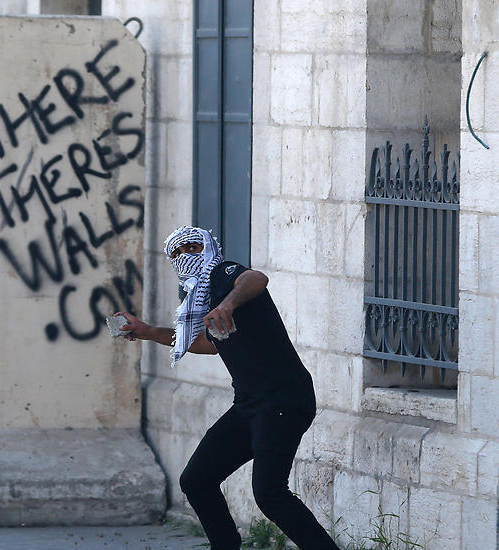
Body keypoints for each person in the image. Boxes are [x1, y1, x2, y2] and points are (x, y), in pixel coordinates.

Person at [117, 226, 340, 550]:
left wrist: (229, 304)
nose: (185, 256)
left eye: (192, 247)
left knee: (269, 494)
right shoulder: (201, 298)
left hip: (283, 399)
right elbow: (207, 344)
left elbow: (257, 278)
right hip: (250, 404)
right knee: (197, 480)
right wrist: (147, 331)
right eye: (176, 253)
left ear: (207, 247)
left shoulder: (224, 274)